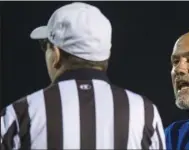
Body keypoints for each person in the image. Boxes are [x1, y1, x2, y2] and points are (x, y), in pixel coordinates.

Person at [0, 2, 165, 150]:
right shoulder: (144, 112)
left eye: (46, 46)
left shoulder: (20, 113)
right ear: (105, 54)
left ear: (56, 54)